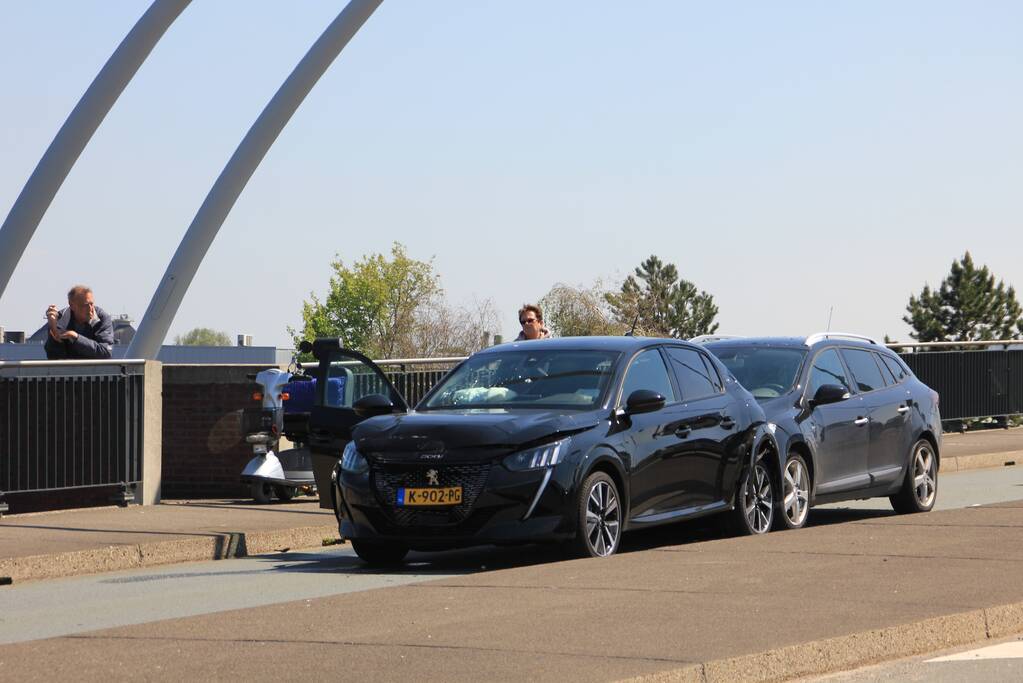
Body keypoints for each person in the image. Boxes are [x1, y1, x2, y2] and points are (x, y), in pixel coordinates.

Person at [44, 285, 114, 359]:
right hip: (69, 369)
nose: (91, 309)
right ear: (72, 305)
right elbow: (54, 356)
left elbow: (105, 352)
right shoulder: (60, 320)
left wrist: (76, 337)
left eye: (92, 304)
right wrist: (53, 330)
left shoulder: (101, 318)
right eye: (86, 305)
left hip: (96, 370)